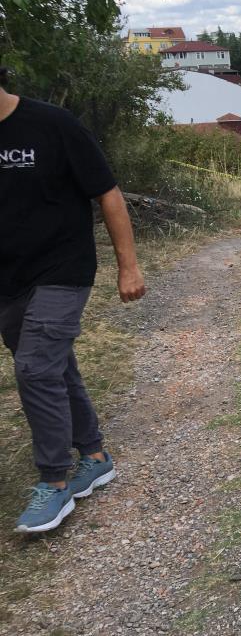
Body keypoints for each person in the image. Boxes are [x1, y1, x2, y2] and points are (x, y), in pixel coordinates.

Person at [0, 67, 146, 533]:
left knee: (35, 368)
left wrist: (129, 265)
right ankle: (95, 455)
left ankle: (54, 479)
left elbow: (107, 193)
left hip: (64, 269)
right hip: (8, 279)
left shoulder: (52, 124)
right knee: (52, 364)